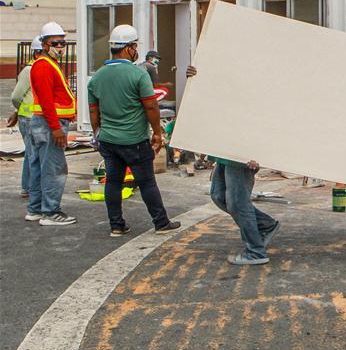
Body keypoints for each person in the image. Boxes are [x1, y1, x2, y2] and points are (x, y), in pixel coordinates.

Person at [88, 25, 181, 237]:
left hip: (109, 140)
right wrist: (157, 133)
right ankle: (161, 222)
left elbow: (94, 113)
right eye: (135, 46)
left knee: (113, 182)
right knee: (147, 181)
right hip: (134, 140)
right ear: (129, 48)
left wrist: (98, 134)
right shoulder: (138, 74)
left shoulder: (97, 77)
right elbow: (151, 106)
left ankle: (116, 225)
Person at [186, 65, 280, 265]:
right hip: (225, 146)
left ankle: (256, 251)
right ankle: (265, 225)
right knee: (219, 195)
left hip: (242, 148)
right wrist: (198, 79)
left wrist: (259, 151)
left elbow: (267, 112)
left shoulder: (257, 81)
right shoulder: (229, 76)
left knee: (238, 202)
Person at [28, 22, 77, 226]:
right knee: (54, 169)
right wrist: (56, 128)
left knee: (41, 167)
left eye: (63, 43)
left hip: (47, 124)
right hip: (50, 125)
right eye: (56, 43)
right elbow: (47, 101)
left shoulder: (48, 65)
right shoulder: (44, 66)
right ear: (45, 45)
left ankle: (36, 209)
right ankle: (50, 212)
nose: (61, 47)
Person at [7, 36, 42, 197]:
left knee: (32, 154)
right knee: (33, 155)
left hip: (34, 116)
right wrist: (17, 111)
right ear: (36, 53)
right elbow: (16, 96)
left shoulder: (41, 69)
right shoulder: (29, 70)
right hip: (28, 118)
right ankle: (28, 188)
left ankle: (28, 187)